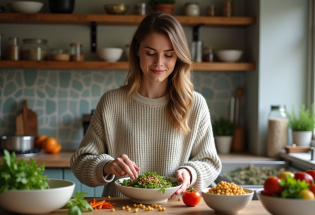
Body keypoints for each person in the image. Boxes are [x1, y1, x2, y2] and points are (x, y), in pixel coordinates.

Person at [70, 11, 221, 198]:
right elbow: (80, 162)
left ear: (179, 57)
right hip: (121, 211)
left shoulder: (194, 104)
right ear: (136, 50)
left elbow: (210, 162)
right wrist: (106, 166)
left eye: (168, 55)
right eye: (151, 53)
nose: (159, 63)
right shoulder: (111, 102)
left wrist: (191, 172)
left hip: (175, 212)